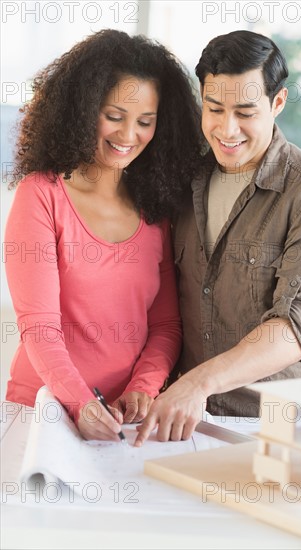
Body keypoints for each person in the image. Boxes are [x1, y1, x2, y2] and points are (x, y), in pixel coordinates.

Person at [135, 30, 301, 446]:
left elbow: (297, 326)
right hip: (193, 420)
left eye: (245, 111)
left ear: (277, 103)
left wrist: (198, 383)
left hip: (281, 426)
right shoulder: (184, 182)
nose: (227, 129)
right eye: (214, 108)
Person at [4, 29, 203, 441]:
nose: (128, 136)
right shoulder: (42, 195)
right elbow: (39, 326)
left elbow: (166, 324)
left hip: (126, 422)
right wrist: (80, 403)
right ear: (81, 109)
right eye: (114, 116)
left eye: (145, 122)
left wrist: (143, 389)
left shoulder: (154, 207)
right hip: (43, 410)